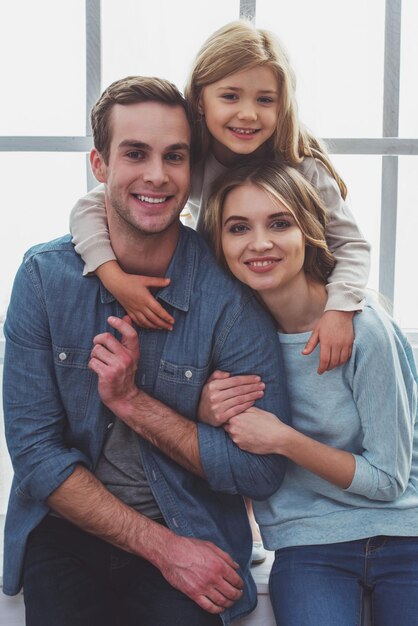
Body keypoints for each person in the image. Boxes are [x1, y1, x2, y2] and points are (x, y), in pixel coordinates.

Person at [69, 19, 371, 563]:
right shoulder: (192, 158)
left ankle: (302, 519)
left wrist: (341, 309)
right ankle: (248, 520)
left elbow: (353, 244)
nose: (248, 113)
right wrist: (111, 274)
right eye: (230, 95)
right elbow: (91, 204)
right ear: (199, 100)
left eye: (265, 99)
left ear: (284, 106)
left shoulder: (301, 164)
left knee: (302, 413)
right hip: (236, 302)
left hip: (300, 309)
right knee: (238, 404)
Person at [2, 77, 291, 626]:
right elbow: (36, 453)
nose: (157, 175)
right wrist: (160, 548)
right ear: (100, 164)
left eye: (174, 157)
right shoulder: (43, 278)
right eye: (135, 153)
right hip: (68, 532)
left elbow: (261, 472)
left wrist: (133, 403)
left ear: (192, 168)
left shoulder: (230, 295)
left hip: (193, 525)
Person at [199, 159, 418, 626]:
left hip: (406, 534)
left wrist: (282, 439)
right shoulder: (229, 339)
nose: (260, 243)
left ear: (308, 231)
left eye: (280, 223)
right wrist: (204, 406)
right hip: (308, 544)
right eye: (239, 228)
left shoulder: (366, 331)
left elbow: (387, 481)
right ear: (218, 243)